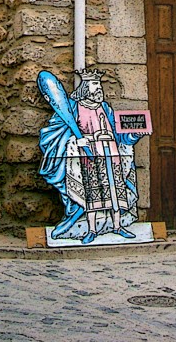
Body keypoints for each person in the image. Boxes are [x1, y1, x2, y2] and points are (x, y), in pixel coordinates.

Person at [38, 69, 142, 244]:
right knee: (91, 195)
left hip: (111, 156)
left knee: (115, 192)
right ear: (86, 88)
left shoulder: (105, 108)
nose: (99, 89)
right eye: (95, 86)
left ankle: (118, 226)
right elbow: (60, 133)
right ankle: (91, 230)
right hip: (90, 158)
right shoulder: (74, 107)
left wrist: (134, 135)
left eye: (99, 85)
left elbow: (119, 133)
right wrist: (77, 141)